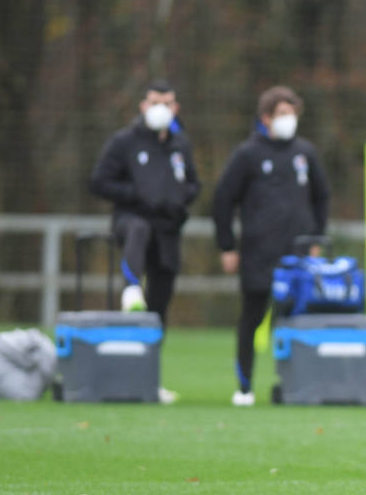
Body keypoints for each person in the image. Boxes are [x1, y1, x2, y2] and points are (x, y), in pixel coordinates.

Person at [212, 86, 331, 407]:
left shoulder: (305, 153)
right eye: (282, 114)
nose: (288, 120)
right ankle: (245, 386)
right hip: (258, 254)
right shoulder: (247, 154)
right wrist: (227, 246)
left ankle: (293, 386)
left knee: (296, 323)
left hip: (299, 257)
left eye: (292, 114)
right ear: (266, 118)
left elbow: (322, 197)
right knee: (251, 318)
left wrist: (316, 238)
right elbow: (222, 200)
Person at [88, 80, 201, 404]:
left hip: (168, 230)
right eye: (155, 102)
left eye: (167, 102)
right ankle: (131, 286)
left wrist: (178, 200)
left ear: (176, 108)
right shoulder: (124, 142)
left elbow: (194, 184)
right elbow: (99, 182)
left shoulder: (181, 144)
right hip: (132, 220)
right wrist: (138, 196)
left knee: (160, 308)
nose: (161, 108)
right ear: (143, 105)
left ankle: (148, 380)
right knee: (138, 231)